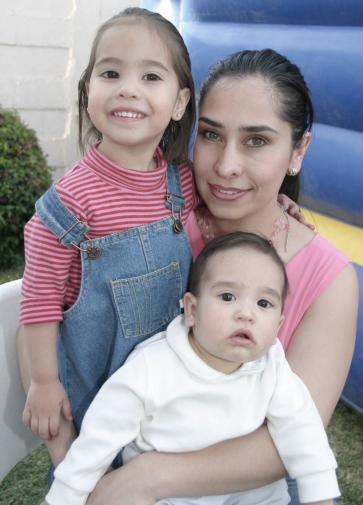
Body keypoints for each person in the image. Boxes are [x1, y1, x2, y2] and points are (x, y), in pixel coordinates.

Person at [85, 49, 358, 505]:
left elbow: (293, 434)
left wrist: (146, 478)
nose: (226, 165)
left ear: (298, 151)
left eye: (256, 141)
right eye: (211, 134)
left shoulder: (327, 279)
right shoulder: (152, 220)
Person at [17, 7, 197, 467]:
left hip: (174, 400)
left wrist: (281, 206)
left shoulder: (183, 185)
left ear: (179, 102)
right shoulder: (68, 206)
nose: (128, 88)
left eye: (151, 76)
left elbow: (228, 220)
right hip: (102, 408)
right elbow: (37, 307)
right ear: (88, 90)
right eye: (111, 72)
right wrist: (43, 382)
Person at [45, 232, 339, 505]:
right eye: (227, 297)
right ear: (192, 310)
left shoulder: (271, 365)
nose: (246, 314)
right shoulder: (153, 367)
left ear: (277, 326)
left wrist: (320, 495)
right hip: (174, 498)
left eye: (264, 303)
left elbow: (303, 429)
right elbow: (100, 436)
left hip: (253, 497)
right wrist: (64, 496)